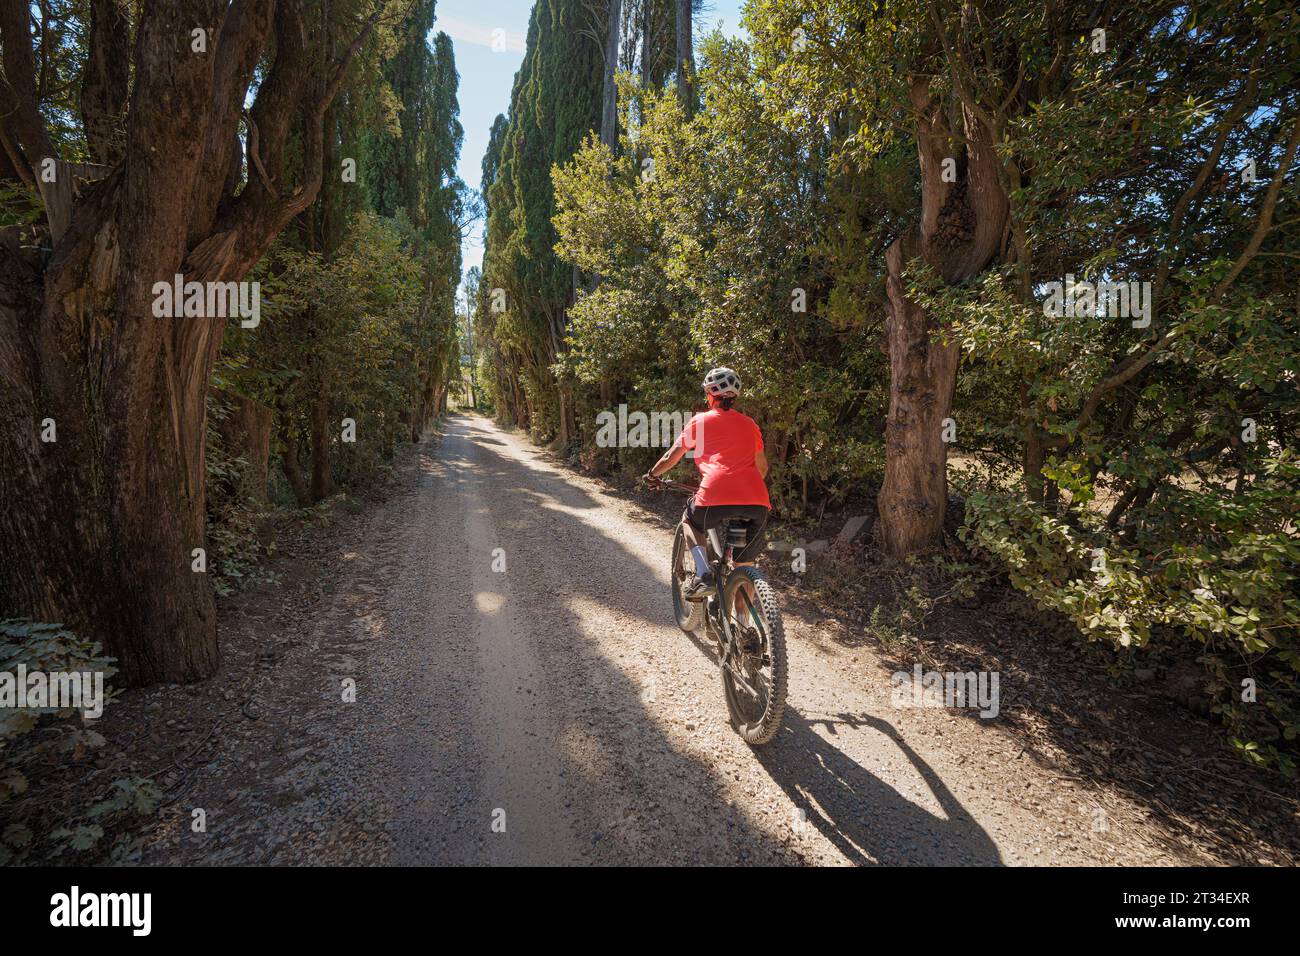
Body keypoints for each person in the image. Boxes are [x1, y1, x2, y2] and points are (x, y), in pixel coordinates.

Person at [645, 367, 770, 600]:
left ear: (710, 394)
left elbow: (671, 457)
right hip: (756, 503)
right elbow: (761, 468)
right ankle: (743, 626)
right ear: (734, 397)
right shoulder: (750, 424)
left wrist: (652, 475)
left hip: (714, 495)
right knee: (743, 565)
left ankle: (703, 574)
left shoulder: (699, 421)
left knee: (690, 520)